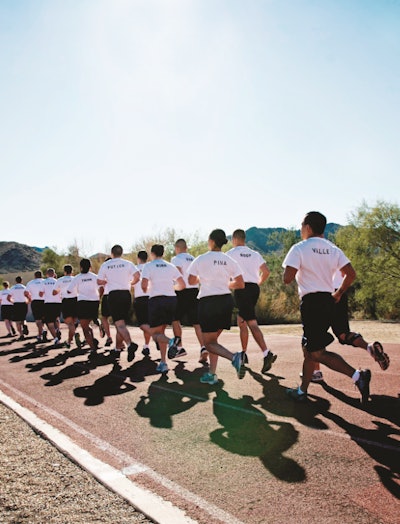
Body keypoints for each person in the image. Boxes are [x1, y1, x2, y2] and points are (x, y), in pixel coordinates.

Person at [282, 211, 371, 404]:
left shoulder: (299, 248)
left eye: (301, 227)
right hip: (329, 300)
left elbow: (287, 279)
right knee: (308, 348)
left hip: (312, 304)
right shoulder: (333, 249)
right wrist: (338, 293)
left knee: (316, 353)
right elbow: (351, 274)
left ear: (307, 228)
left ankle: (357, 376)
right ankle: (302, 390)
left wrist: (297, 269)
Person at [306, 269, 390, 383]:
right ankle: (369, 347)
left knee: (313, 337)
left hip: (320, 295)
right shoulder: (335, 251)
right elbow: (347, 272)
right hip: (339, 293)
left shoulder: (309, 252)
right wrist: (339, 292)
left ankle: (315, 373)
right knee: (343, 334)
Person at [187, 229, 246, 385]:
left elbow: (191, 281)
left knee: (208, 343)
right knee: (214, 341)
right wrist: (226, 283)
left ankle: (235, 357)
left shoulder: (201, 259)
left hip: (209, 303)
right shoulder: (229, 260)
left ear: (211, 241)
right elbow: (240, 283)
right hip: (226, 301)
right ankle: (212, 374)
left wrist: (204, 278)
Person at [226, 229, 276, 374]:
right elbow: (266, 271)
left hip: (242, 289)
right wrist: (258, 282)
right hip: (253, 288)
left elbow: (225, 273)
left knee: (251, 322)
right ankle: (243, 353)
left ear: (235, 239)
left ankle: (267, 353)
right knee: (241, 320)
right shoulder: (255, 254)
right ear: (244, 239)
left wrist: (227, 284)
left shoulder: (231, 254)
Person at [141, 244, 186, 374]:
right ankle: (163, 362)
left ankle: (172, 342)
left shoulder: (148, 266)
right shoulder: (170, 266)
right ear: (163, 253)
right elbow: (182, 285)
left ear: (152, 253)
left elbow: (144, 285)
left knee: (155, 334)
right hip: (171, 300)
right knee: (161, 332)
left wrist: (148, 289)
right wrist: (171, 289)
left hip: (156, 300)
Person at [97, 245, 140, 361]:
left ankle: (130, 344)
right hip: (126, 294)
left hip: (114, 295)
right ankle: (117, 348)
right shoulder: (128, 263)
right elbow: (137, 276)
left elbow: (99, 281)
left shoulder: (106, 265)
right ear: (121, 253)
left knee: (119, 324)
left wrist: (107, 280)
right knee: (120, 324)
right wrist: (131, 283)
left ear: (112, 253)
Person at [170, 238, 207, 363]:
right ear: (186, 247)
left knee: (175, 319)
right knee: (197, 323)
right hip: (194, 291)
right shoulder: (193, 259)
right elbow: (199, 276)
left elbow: (178, 274)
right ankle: (203, 348)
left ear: (177, 248)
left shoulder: (176, 259)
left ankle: (179, 347)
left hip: (181, 291)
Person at [67, 258, 100, 357]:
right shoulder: (95, 277)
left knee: (85, 328)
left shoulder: (77, 278)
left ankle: (93, 349)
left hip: (82, 303)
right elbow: (101, 287)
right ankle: (99, 323)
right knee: (91, 320)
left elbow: (69, 290)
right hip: (94, 302)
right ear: (90, 267)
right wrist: (98, 297)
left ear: (80, 267)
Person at [53, 265, 80, 349]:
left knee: (69, 323)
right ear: (72, 271)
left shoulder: (60, 280)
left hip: (66, 302)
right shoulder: (75, 278)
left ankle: (73, 336)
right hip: (76, 300)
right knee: (74, 321)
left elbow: (54, 292)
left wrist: (59, 290)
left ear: (64, 271)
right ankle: (70, 340)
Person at [132, 251, 152, 356]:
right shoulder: (150, 267)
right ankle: (146, 346)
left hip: (140, 298)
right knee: (147, 324)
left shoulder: (134, 269)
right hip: (151, 297)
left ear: (138, 258)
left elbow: (131, 282)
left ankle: (156, 337)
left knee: (142, 324)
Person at [38, 268, 63, 345]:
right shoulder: (58, 281)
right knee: (57, 318)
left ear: (47, 274)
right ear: (54, 274)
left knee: (49, 322)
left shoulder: (44, 282)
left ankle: (55, 338)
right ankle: (57, 329)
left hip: (48, 303)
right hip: (58, 303)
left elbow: (40, 294)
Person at [25, 271, 47, 342]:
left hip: (35, 302)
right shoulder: (45, 281)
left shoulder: (30, 283)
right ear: (42, 275)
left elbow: (26, 292)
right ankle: (42, 332)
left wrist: (29, 298)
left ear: (35, 276)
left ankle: (41, 333)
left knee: (38, 319)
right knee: (43, 318)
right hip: (45, 301)